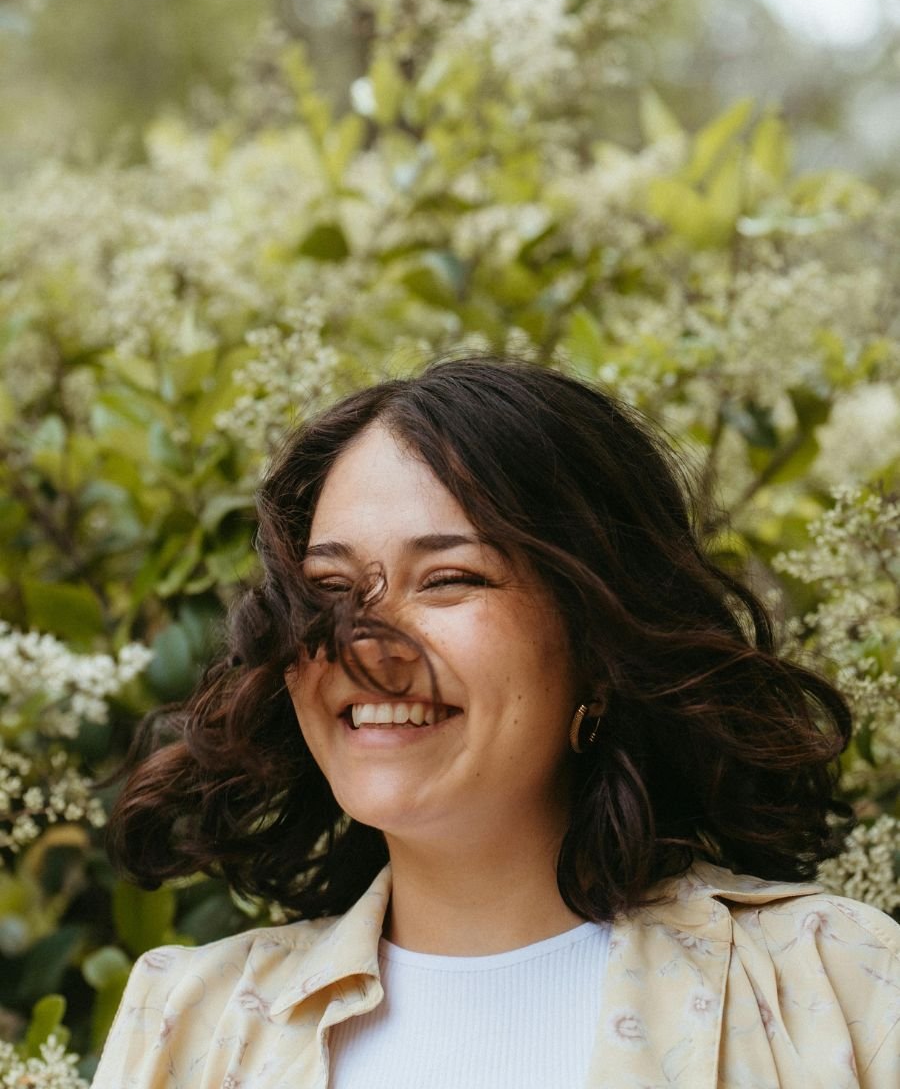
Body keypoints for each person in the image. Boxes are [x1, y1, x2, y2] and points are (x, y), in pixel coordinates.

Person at [93, 357, 899, 1089]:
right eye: (329, 589)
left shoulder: (837, 982)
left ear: (598, 642)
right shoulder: (187, 1021)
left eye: (448, 579)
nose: (364, 646)